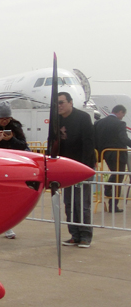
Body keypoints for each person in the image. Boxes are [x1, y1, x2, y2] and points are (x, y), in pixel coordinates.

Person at [0, 102, 28, 238]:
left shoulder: (15, 126)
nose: (4, 122)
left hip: (12, 165)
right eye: (1, 119)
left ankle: (8, 226)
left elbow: (23, 145)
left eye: (7, 119)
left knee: (11, 198)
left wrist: (11, 139)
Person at [57, 92, 95, 248]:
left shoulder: (83, 118)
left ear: (70, 103)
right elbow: (52, 142)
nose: (59, 106)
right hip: (66, 168)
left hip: (82, 167)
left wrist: (85, 168)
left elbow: (88, 144)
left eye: (61, 102)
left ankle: (85, 235)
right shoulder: (56, 120)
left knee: (82, 203)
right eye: (56, 103)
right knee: (69, 203)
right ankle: (74, 235)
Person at [94, 104, 131, 212]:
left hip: (104, 154)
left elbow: (94, 138)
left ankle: (108, 189)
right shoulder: (120, 123)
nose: (122, 117)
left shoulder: (98, 123)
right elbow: (123, 138)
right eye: (122, 115)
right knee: (118, 178)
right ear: (120, 112)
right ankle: (113, 205)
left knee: (115, 174)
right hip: (117, 154)